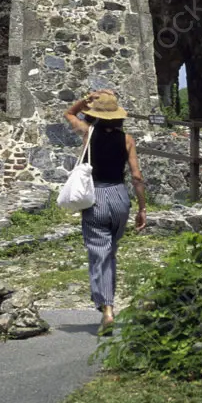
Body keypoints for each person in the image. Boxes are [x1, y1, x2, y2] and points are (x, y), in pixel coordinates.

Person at [64, 89, 147, 331]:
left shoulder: (88, 133)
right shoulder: (128, 139)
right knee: (110, 251)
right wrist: (142, 208)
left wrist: (84, 101)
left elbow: (69, 113)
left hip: (96, 196)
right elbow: (137, 176)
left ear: (95, 115)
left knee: (99, 252)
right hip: (120, 196)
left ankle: (107, 308)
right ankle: (107, 303)